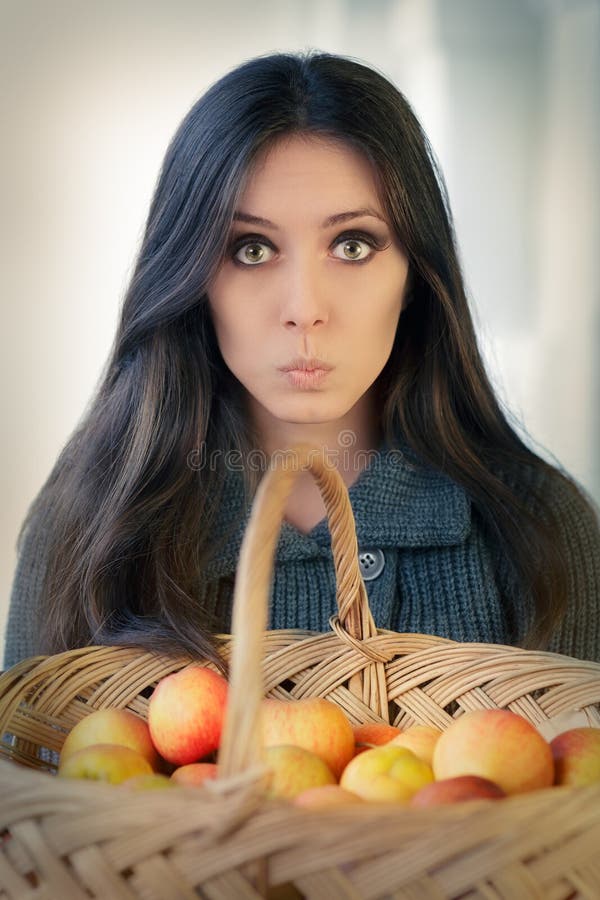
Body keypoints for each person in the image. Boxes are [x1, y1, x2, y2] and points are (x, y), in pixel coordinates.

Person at [4, 50, 600, 672]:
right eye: (252, 249)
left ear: (416, 276)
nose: (305, 309)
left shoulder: (544, 530)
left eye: (352, 245)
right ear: (192, 279)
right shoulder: (87, 524)